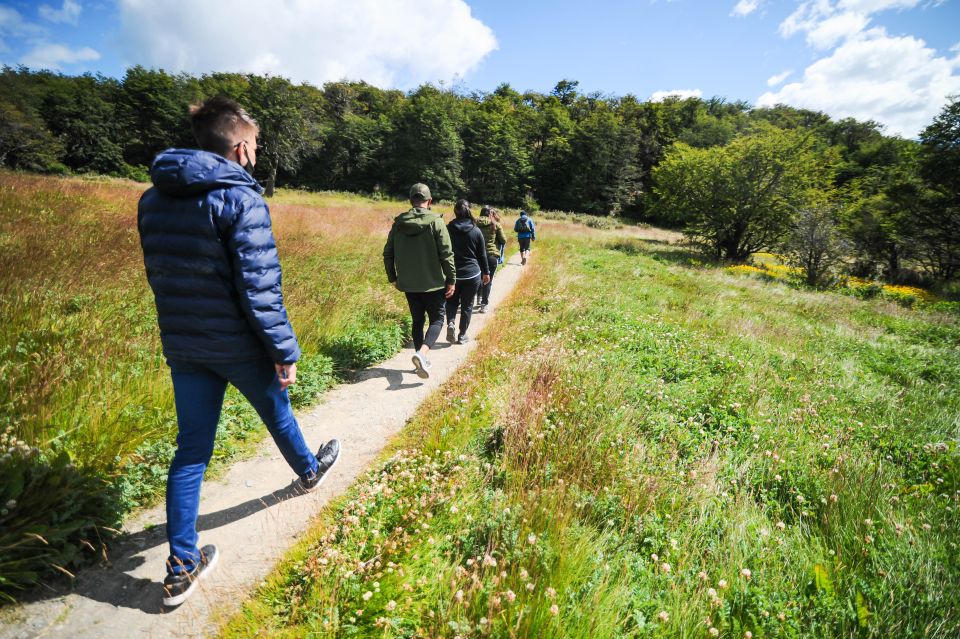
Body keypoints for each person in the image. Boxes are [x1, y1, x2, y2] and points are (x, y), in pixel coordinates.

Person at [137, 96, 340, 607]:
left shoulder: (151, 199)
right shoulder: (241, 199)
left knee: (190, 453)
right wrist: (283, 350)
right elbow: (259, 289)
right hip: (239, 344)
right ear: (241, 146)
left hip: (185, 345)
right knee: (277, 411)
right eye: (255, 145)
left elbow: (164, 278)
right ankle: (309, 472)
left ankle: (181, 567)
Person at [383, 183, 456, 379]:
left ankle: (419, 361)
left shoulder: (399, 223)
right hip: (433, 283)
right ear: (430, 201)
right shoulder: (436, 222)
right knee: (438, 319)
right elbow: (447, 254)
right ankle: (422, 354)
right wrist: (451, 280)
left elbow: (388, 253)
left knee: (417, 320)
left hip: (408, 284)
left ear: (410, 201)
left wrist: (393, 278)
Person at [445, 199, 490, 344]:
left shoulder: (447, 229)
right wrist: (486, 272)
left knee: (451, 302)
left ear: (455, 211)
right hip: (472, 274)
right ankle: (462, 335)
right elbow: (482, 255)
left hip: (452, 274)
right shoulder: (475, 230)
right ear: (469, 210)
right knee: (467, 306)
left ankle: (451, 322)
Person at [475, 206, 506, 313]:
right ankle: (484, 304)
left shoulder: (474, 223)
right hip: (491, 256)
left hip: (477, 256)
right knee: (488, 280)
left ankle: (478, 298)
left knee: (478, 278)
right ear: (490, 214)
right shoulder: (495, 224)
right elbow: (503, 240)